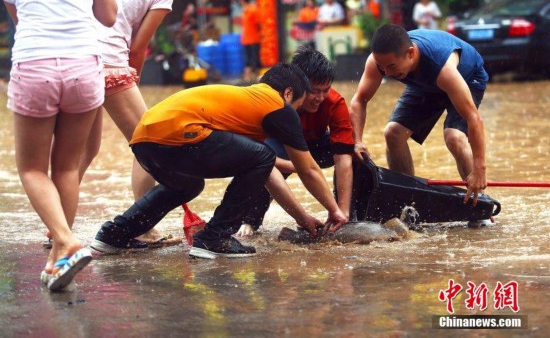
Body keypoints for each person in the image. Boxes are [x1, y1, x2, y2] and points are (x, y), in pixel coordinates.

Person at [90, 63, 349, 259]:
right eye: (297, 106)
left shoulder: (243, 104)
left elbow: (266, 171)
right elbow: (309, 169)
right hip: (179, 134)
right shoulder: (276, 104)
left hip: (145, 141)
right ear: (288, 92)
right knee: (263, 156)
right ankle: (215, 237)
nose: (295, 114)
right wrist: (335, 211)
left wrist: (303, 219)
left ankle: (114, 235)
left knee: (188, 186)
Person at [0, 0, 118, 290]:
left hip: (36, 66)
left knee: (33, 169)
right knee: (67, 166)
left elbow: (21, 22)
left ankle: (65, 242)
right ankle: (58, 256)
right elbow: (109, 16)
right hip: (84, 66)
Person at [79, 0, 207, 248]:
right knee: (150, 141)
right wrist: (131, 79)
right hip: (110, 63)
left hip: (78, 59)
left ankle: (56, 228)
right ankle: (141, 227)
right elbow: (138, 48)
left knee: (83, 151)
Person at [349, 24, 490, 227]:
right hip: (426, 85)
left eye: (392, 66)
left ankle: (480, 207)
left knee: (454, 137)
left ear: (411, 53)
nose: (386, 73)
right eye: (383, 68)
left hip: (467, 78)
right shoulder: (380, 62)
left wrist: (480, 168)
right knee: (393, 133)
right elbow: (359, 100)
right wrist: (357, 141)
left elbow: (474, 119)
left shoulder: (443, 68)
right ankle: (409, 204)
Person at [236, 45, 355, 237]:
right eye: (314, 91)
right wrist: (297, 166)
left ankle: (349, 216)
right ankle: (250, 219)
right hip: (279, 145)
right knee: (261, 165)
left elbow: (342, 158)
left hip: (314, 143)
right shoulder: (275, 99)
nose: (320, 98)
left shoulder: (334, 102)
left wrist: (342, 210)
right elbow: (252, 153)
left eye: (325, 90)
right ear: (297, 85)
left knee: (354, 156)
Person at [239, 0, 262, 82]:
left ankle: (256, 76)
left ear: (243, 0)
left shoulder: (253, 10)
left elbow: (258, 24)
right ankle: (248, 77)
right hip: (246, 39)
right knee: (248, 58)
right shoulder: (245, 10)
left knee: (255, 59)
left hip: (254, 39)